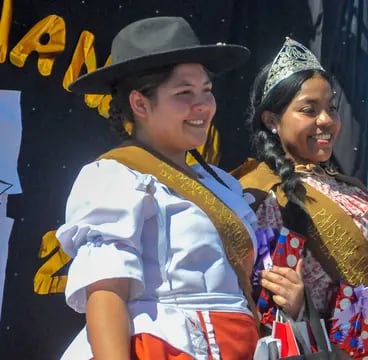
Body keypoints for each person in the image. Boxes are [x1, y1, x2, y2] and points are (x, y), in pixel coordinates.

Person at [56, 17, 260, 359]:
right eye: (184, 93)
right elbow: (107, 294)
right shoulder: (115, 177)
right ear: (140, 104)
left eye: (206, 91)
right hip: (165, 348)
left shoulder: (221, 184)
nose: (203, 106)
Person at [234, 38, 368, 359]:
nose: (326, 120)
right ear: (272, 121)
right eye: (309, 110)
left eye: (331, 109)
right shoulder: (258, 192)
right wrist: (298, 305)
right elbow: (254, 299)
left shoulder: (355, 192)